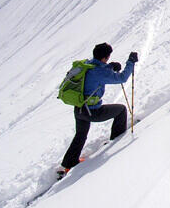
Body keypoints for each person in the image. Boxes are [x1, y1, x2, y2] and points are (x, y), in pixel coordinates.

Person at [59, 42, 138, 177]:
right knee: (121, 110)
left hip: (79, 108)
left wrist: (110, 66)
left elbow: (98, 71)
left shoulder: (87, 65)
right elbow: (122, 78)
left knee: (80, 135)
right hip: (92, 112)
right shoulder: (99, 72)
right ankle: (117, 139)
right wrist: (130, 62)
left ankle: (68, 163)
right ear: (104, 57)